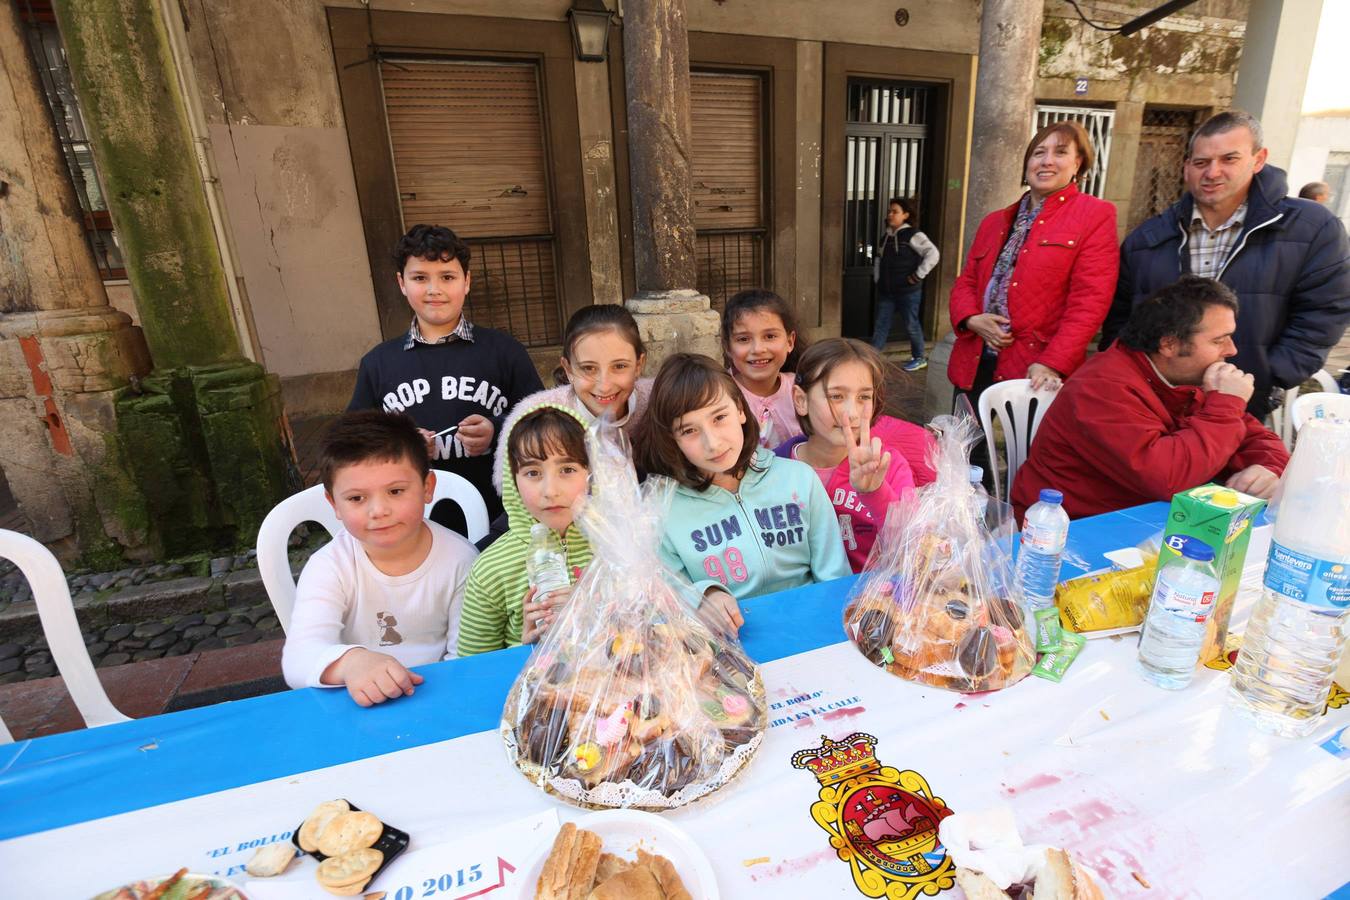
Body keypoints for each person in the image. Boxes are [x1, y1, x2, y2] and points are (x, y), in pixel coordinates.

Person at [1100, 111, 1350, 419]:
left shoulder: (1311, 229)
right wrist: (1126, 378)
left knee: (1238, 467)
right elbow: (1121, 318)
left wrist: (1267, 374)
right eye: (1201, 162)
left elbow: (1324, 313)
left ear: (1258, 160)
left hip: (1243, 398)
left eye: (1229, 159)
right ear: (1187, 167)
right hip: (1154, 401)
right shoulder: (1148, 238)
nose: (1213, 172)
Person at [1012, 276, 1290, 522]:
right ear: (1169, 344)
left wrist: (1268, 469)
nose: (1232, 350)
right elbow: (1168, 477)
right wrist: (1226, 404)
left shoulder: (1191, 377)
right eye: (1219, 340)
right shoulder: (1101, 388)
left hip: (1146, 518)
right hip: (1071, 529)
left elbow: (1257, 439)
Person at [634, 354, 849, 637]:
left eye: (719, 417)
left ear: (740, 409)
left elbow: (835, 577)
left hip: (815, 630)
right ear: (672, 439)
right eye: (689, 430)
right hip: (728, 647)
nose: (712, 442)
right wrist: (704, 594)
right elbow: (668, 595)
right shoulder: (663, 510)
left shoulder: (798, 478)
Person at [348, 224, 544, 527]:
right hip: (410, 522)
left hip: (500, 517)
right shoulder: (378, 364)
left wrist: (496, 428)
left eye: (447, 277)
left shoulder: (505, 352)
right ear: (401, 283)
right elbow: (353, 441)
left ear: (466, 281)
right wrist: (401, 444)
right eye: (419, 278)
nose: (434, 289)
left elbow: (543, 421)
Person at [281, 411, 479, 706]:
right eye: (357, 498)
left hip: (438, 698)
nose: (378, 511)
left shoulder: (461, 560)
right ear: (334, 504)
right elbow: (298, 659)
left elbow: (464, 657)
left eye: (395, 491)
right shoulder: (330, 566)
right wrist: (351, 663)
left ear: (427, 488)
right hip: (355, 701)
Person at [948, 120, 1118, 401]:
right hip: (975, 359)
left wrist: (1053, 362)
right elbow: (967, 280)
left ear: (1078, 163)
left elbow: (1090, 302)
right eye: (1038, 153)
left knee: (1022, 445)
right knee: (965, 443)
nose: (1047, 161)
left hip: (1034, 369)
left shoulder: (1095, 215)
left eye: (1060, 152)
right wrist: (971, 318)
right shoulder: (995, 221)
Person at [458, 404, 594, 656]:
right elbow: (473, 670)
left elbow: (648, 635)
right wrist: (526, 651)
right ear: (512, 480)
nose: (550, 490)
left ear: (592, 473)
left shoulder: (616, 550)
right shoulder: (492, 569)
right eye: (532, 472)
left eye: (567, 470)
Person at [777, 339, 916, 572]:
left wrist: (875, 491)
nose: (851, 414)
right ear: (801, 400)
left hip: (875, 597)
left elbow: (913, 545)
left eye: (863, 397)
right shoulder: (774, 468)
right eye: (836, 397)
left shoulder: (888, 465)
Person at [493, 304, 650, 496]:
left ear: (638, 365)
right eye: (588, 368)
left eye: (619, 366)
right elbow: (511, 492)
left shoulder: (658, 400)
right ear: (568, 370)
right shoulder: (533, 415)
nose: (605, 385)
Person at [721, 289, 805, 449]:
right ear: (728, 347)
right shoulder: (717, 395)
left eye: (770, 336)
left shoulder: (803, 389)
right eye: (743, 339)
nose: (758, 349)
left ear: (790, 342)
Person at [871, 197, 940, 370]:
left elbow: (933, 254)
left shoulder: (913, 235)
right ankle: (870, 360)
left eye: (895, 211)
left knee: (911, 324)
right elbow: (879, 260)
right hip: (887, 291)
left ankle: (919, 357)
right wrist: (878, 279)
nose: (890, 214)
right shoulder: (885, 237)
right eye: (889, 211)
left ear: (905, 215)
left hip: (908, 291)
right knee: (881, 325)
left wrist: (918, 275)